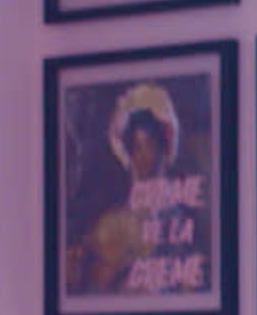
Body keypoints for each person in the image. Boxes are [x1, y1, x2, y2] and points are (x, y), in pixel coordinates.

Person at [63, 80, 185, 298]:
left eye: (149, 145)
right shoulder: (113, 214)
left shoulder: (175, 211)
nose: (144, 156)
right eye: (137, 147)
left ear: (162, 149)